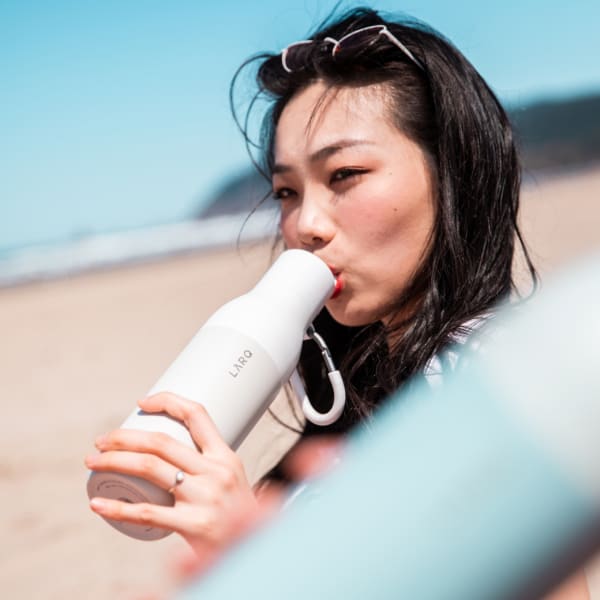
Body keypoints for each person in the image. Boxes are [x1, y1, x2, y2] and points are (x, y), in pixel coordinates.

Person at [84, 6, 589, 598]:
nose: (306, 224)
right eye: (286, 192)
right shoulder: (368, 393)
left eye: (345, 174)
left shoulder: (497, 383)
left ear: (453, 170)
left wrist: (257, 561)